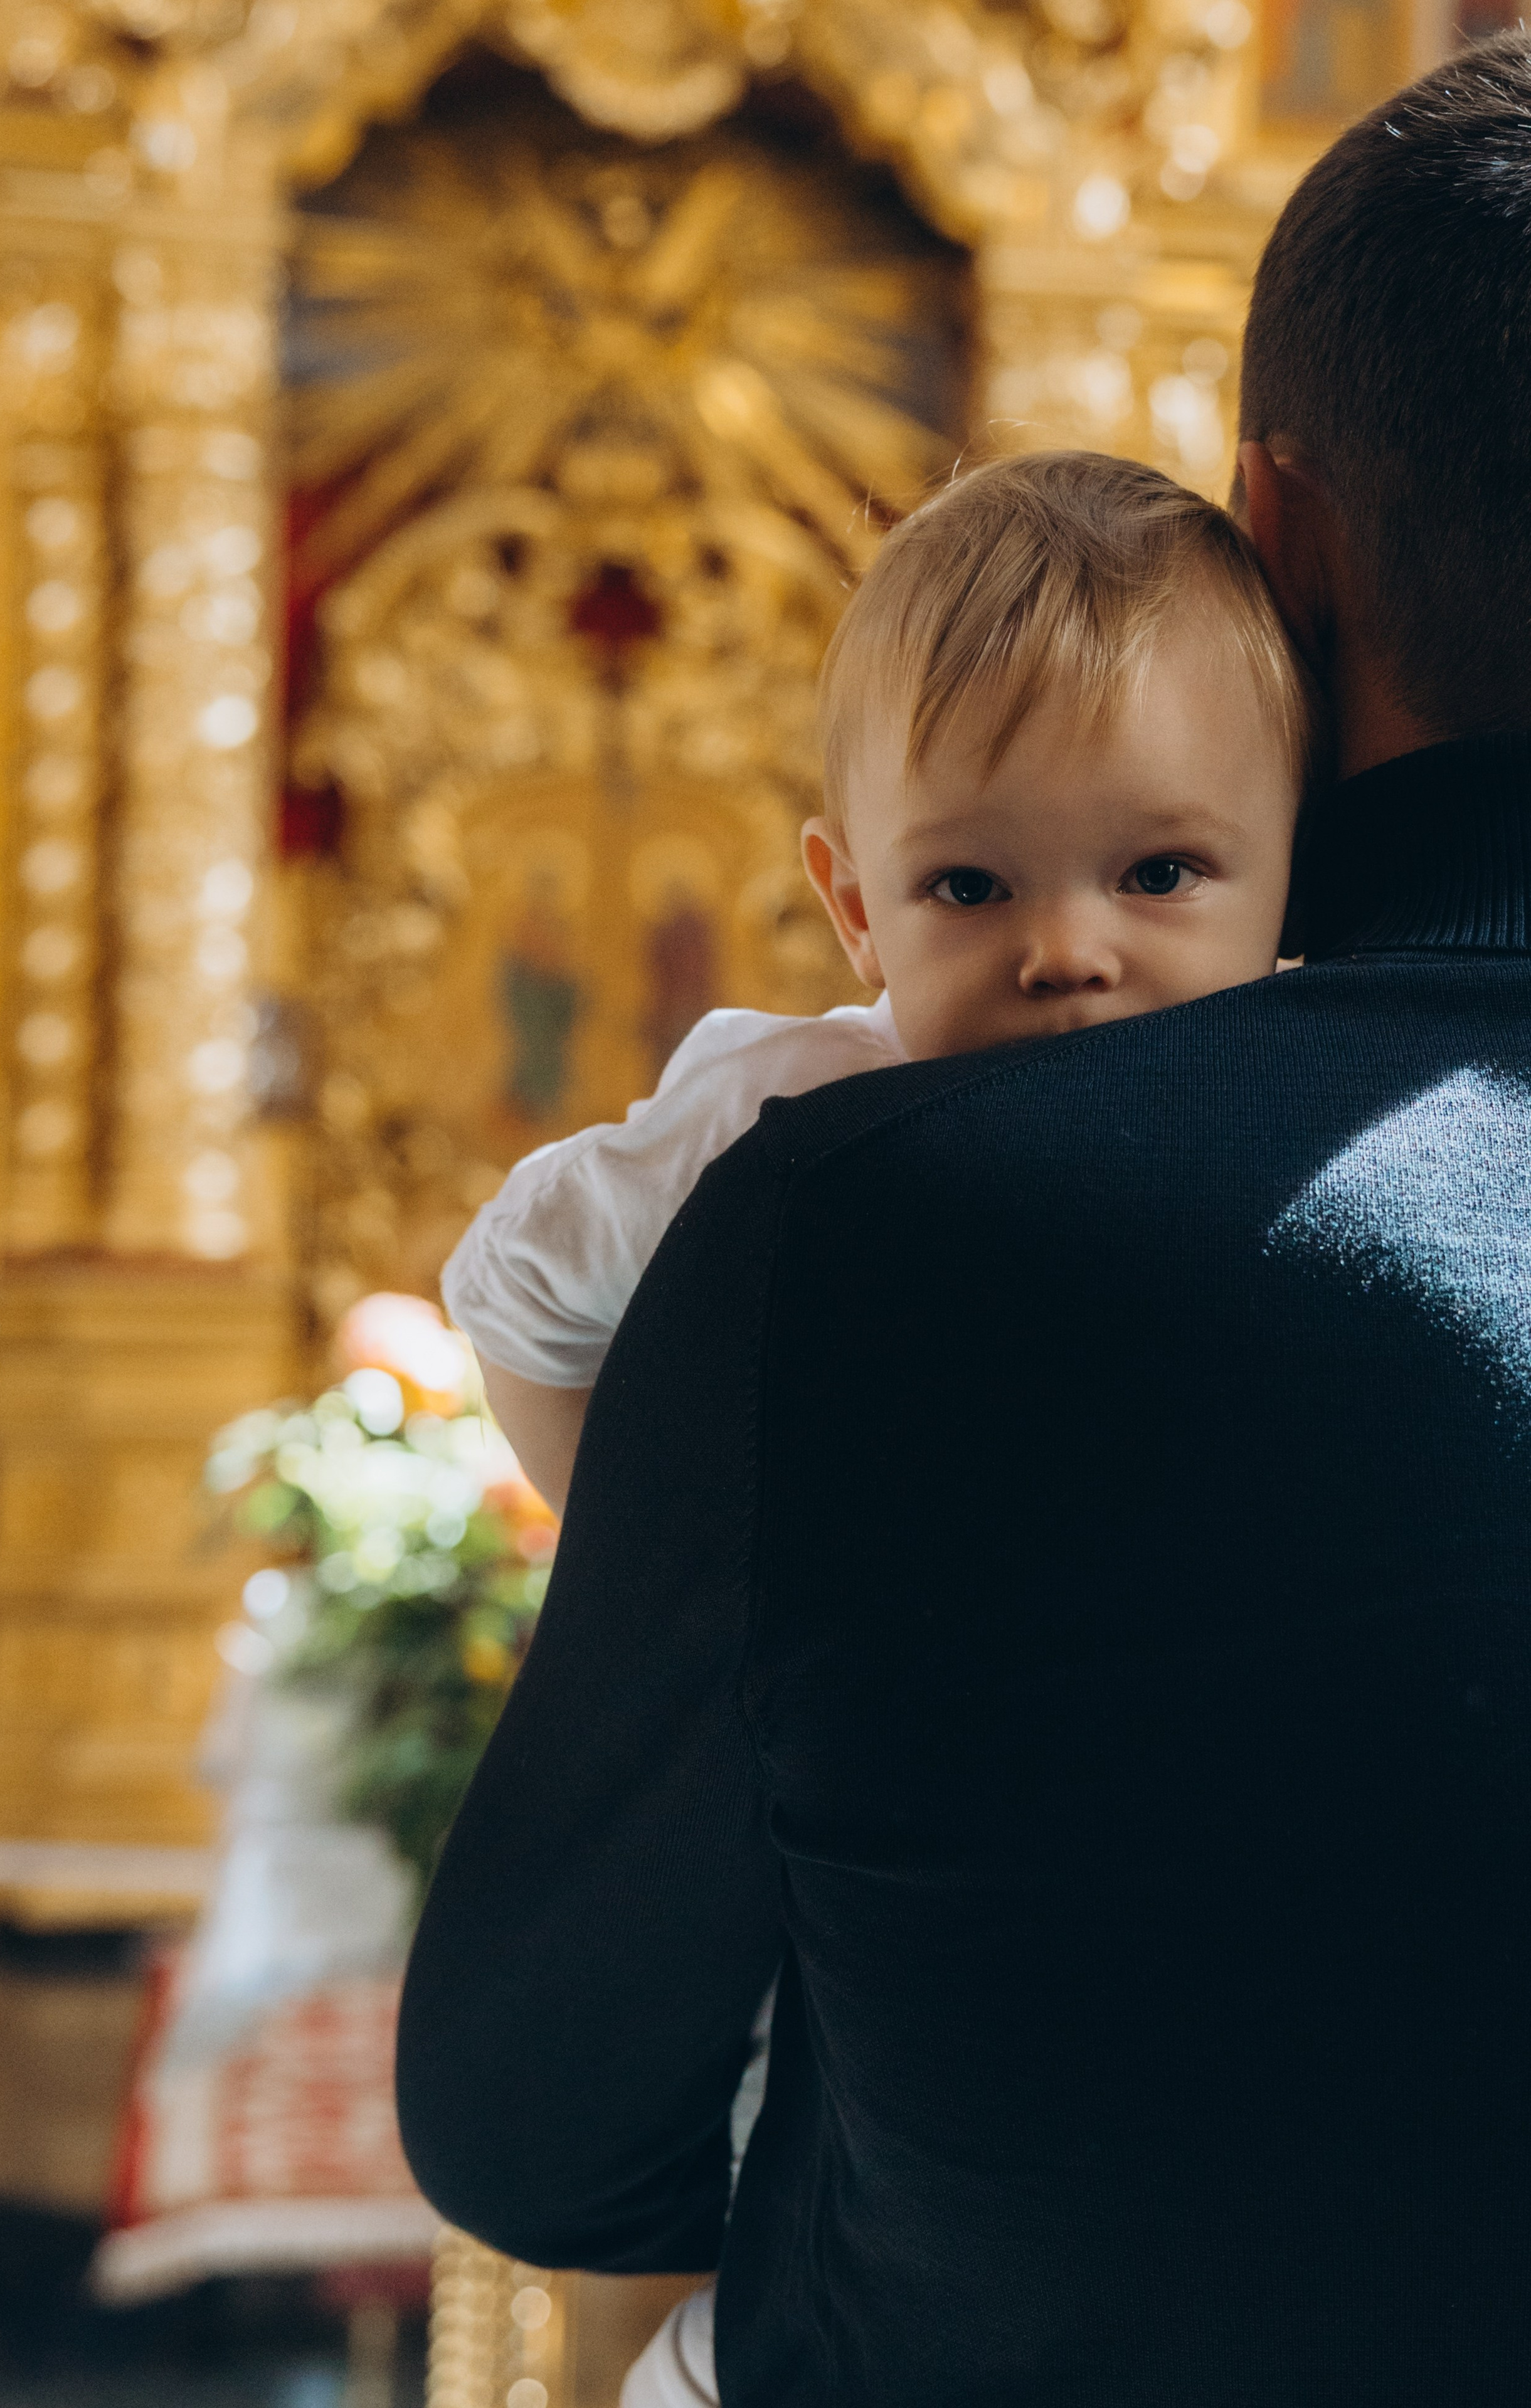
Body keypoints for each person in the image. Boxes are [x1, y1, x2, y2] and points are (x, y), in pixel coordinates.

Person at [399, 34, 1531, 2405]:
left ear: (1282, 550)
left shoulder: (858, 1229)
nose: (1075, 948)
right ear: (851, 894)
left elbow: (541, 2136)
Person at [442, 451, 1312, 2408]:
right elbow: (513, 1290)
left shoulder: (1315, 1106)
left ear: (1287, 870)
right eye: (970, 885)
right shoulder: (787, 1126)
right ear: (852, 900)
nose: (1069, 951)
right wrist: (685, 1576)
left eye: (1161, 872)